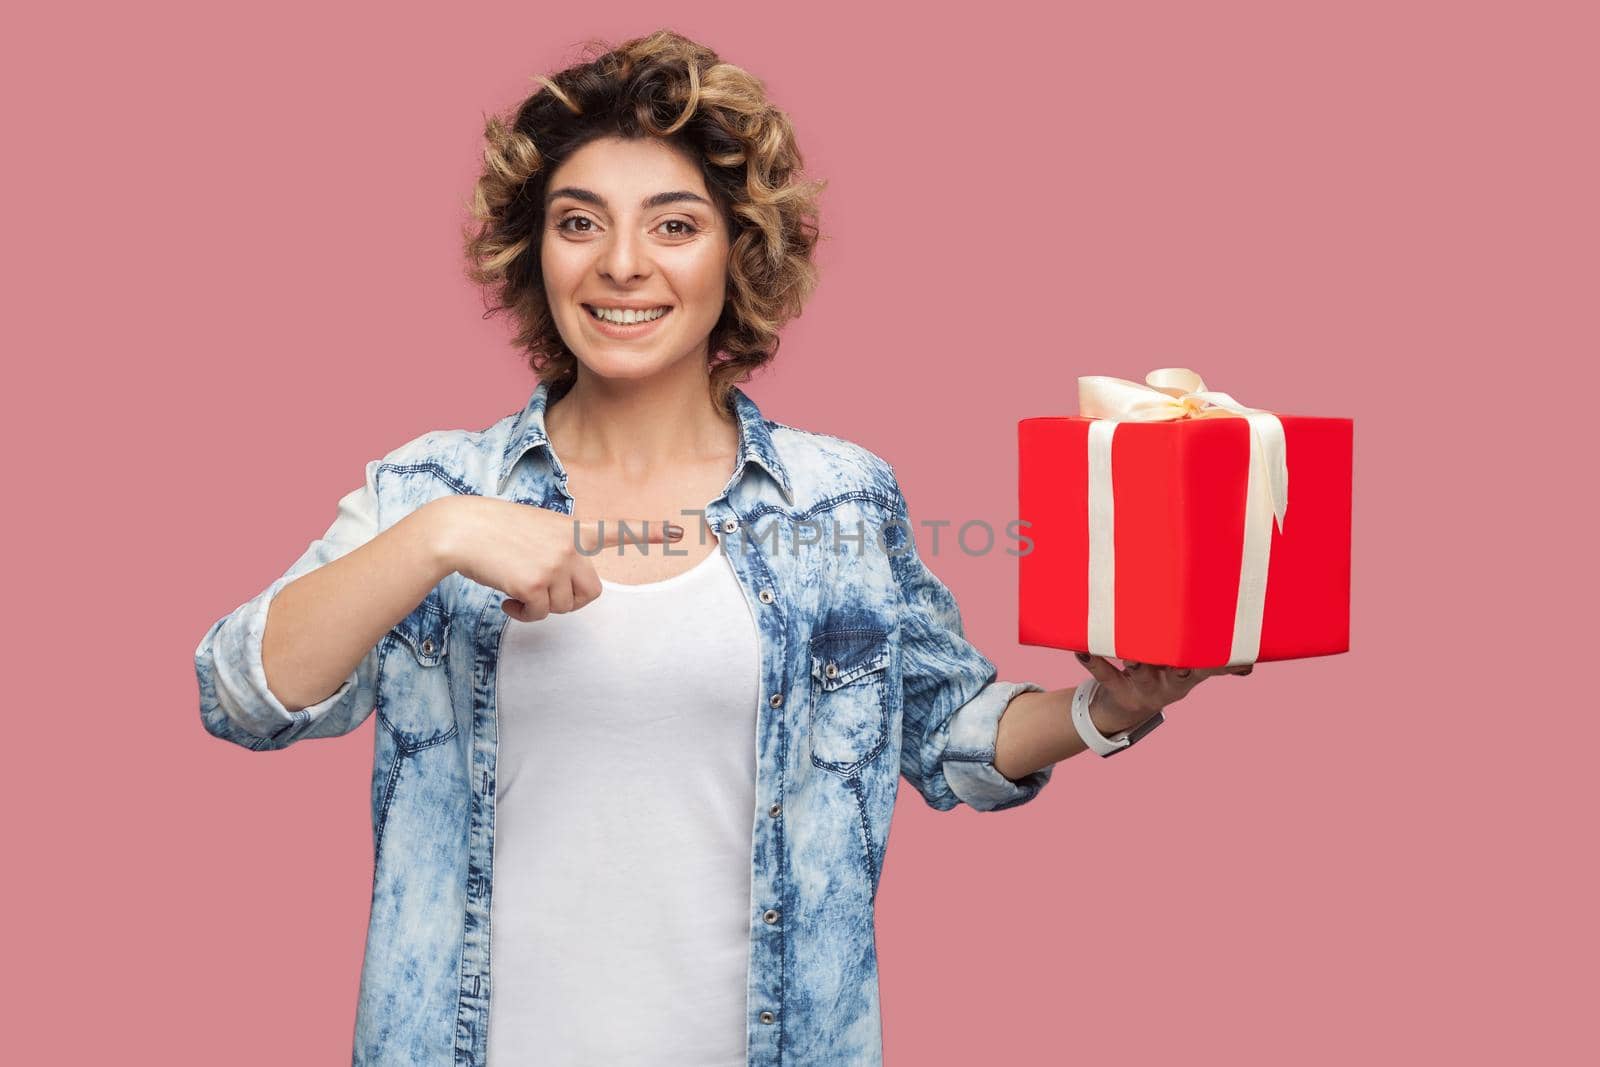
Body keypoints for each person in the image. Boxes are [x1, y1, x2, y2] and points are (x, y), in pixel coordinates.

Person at [193, 28, 1249, 1067]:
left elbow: (945, 732)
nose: (620, 264)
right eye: (578, 222)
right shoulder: (430, 488)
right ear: (535, 250)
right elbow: (239, 693)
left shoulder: (842, 495)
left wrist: (1108, 709)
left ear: (737, 251)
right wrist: (442, 536)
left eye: (673, 225)